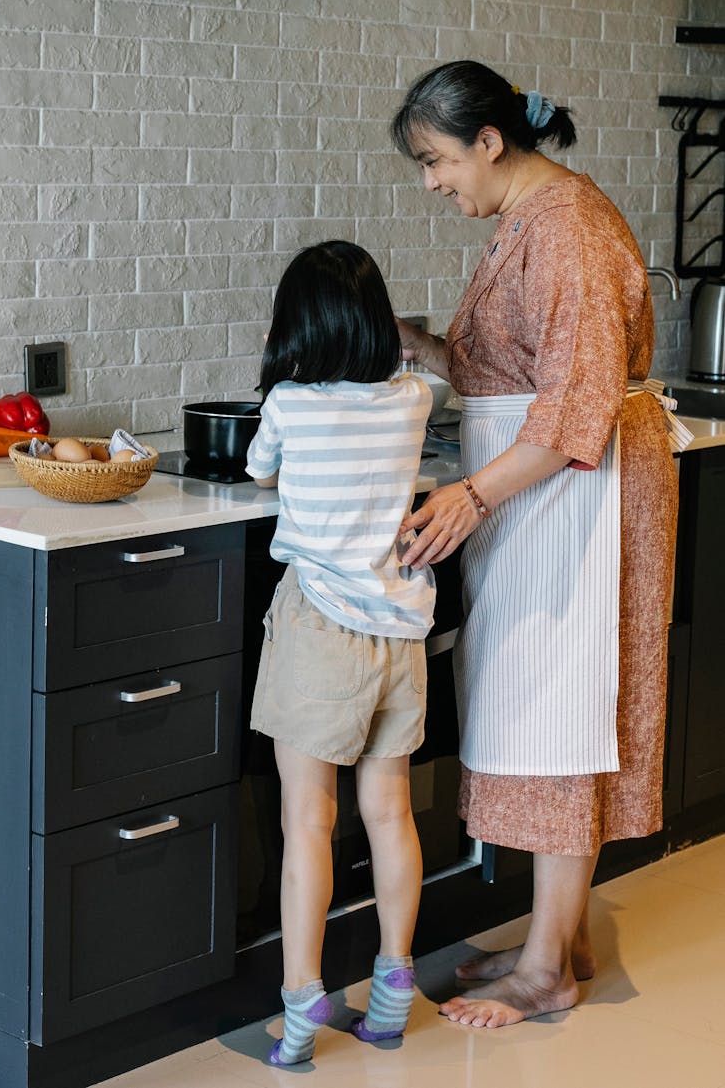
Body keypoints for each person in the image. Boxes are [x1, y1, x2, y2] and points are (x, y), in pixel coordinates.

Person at [389, 60, 682, 1029]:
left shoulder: (569, 229)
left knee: (568, 704)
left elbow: (571, 414)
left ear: (488, 142)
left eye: (435, 161)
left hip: (582, 494)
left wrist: (471, 495)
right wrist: (419, 347)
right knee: (548, 698)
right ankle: (561, 935)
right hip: (546, 495)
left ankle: (550, 965)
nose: (431, 182)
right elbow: (514, 366)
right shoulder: (523, 219)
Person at [245, 240, 436, 1065]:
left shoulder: (288, 402)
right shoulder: (413, 397)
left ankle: (299, 1004)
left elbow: (259, 473)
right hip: (400, 632)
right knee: (390, 814)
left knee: (307, 822)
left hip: (321, 628)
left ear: (298, 325)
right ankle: (392, 991)